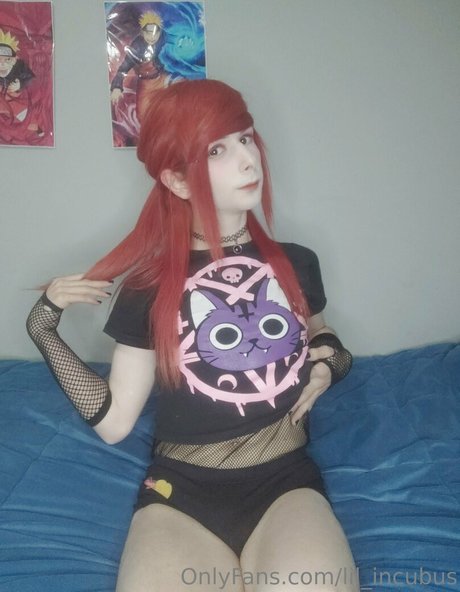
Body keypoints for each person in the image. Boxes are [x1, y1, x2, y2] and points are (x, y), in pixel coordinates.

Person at [27, 79, 358, 591]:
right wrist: (43, 328)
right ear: (177, 180)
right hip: (182, 492)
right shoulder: (149, 286)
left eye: (245, 138)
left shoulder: (296, 262)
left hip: (285, 479)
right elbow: (115, 423)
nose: (248, 160)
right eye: (217, 151)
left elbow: (322, 335)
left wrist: (328, 364)